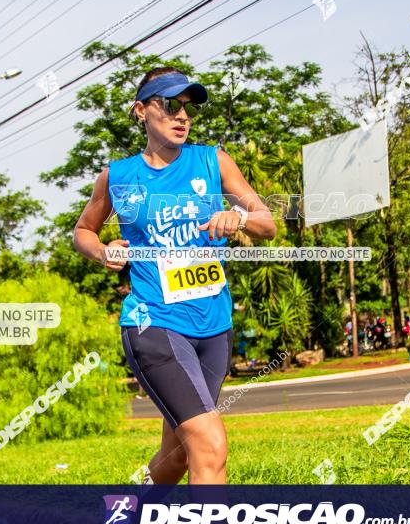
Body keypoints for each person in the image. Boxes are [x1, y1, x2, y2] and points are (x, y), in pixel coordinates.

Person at [73, 67, 275, 485]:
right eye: (168, 105)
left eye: (188, 107)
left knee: (179, 453)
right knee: (210, 444)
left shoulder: (212, 161)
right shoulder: (120, 176)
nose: (181, 115)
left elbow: (266, 222)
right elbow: (83, 231)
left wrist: (237, 217)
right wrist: (102, 251)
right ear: (141, 111)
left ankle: (127, 519)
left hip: (213, 326)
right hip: (154, 323)